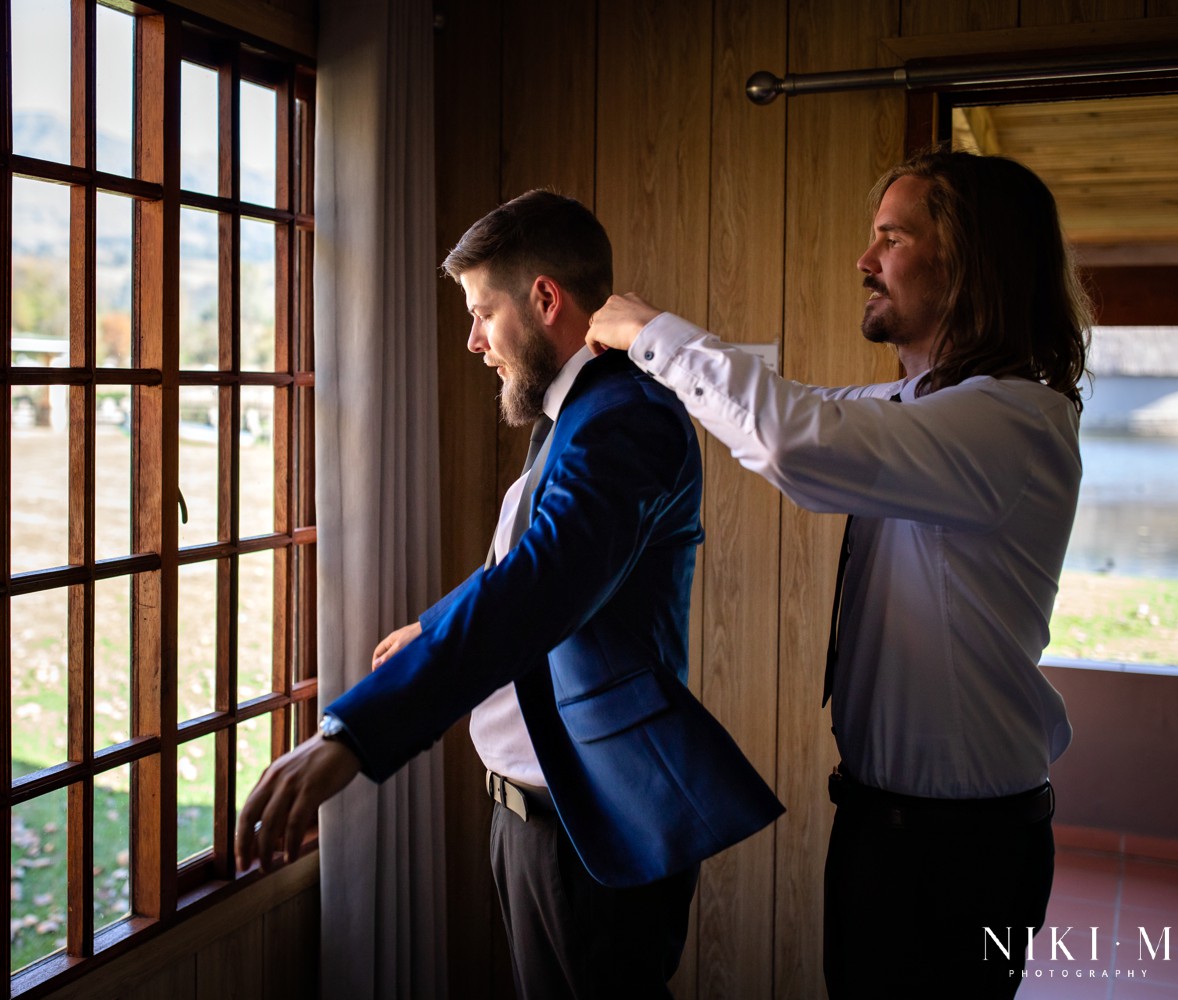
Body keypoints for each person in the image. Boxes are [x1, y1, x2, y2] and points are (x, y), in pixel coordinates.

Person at [237, 189, 782, 998]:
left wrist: (353, 733)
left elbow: (539, 585)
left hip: (587, 822)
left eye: (483, 313)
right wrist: (434, 624)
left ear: (545, 300)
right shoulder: (577, 413)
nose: (472, 341)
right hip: (534, 811)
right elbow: (531, 562)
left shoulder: (623, 417)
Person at [584, 147, 1091, 999]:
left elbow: (794, 440)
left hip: (962, 853)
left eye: (891, 238)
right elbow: (797, 412)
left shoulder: (1014, 422)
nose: (864, 261)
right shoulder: (916, 408)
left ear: (972, 262)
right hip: (885, 829)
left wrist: (650, 332)